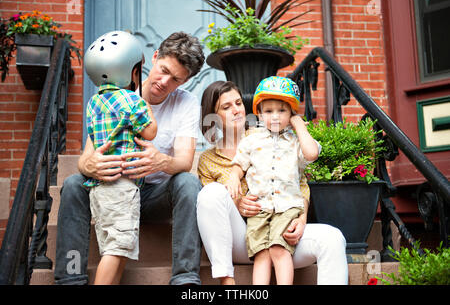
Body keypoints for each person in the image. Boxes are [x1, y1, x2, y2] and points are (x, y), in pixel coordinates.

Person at [54, 31, 205, 285]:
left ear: (185, 81)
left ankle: (185, 279)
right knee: (71, 185)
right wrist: (89, 165)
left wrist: (160, 161)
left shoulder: (187, 103)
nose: (164, 82)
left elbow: (184, 162)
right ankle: (70, 279)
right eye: (164, 70)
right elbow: (85, 159)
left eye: (176, 79)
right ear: (153, 57)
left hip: (153, 196)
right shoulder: (117, 92)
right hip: (115, 189)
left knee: (189, 183)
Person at [196, 80, 349, 285]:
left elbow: (300, 182)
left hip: (282, 231)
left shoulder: (271, 136)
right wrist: (238, 203)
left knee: (333, 238)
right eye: (226, 106)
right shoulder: (207, 160)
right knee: (211, 193)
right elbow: (213, 210)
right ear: (212, 116)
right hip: (242, 238)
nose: (237, 110)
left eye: (239, 103)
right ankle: (226, 280)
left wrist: (301, 219)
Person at [225, 76, 320, 285]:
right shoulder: (251, 140)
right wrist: (233, 177)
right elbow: (239, 164)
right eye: (268, 111)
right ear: (259, 113)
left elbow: (312, 153)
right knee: (261, 254)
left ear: (291, 113)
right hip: (260, 208)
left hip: (287, 207)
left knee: (279, 249)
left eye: (282, 111)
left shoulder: (296, 142)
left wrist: (299, 126)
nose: (275, 117)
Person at [82, 30, 158, 285]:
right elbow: (150, 131)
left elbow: (92, 137)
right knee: (117, 249)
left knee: (113, 249)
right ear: (132, 72)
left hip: (100, 189)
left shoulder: (93, 103)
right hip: (122, 186)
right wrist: (144, 104)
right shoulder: (131, 100)